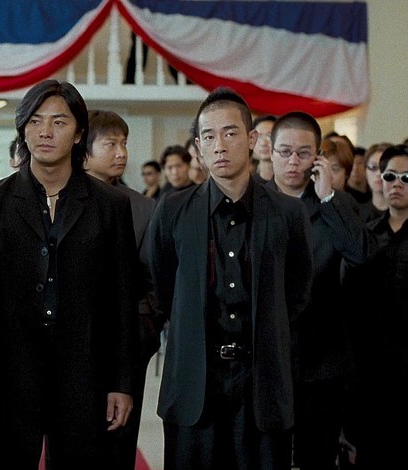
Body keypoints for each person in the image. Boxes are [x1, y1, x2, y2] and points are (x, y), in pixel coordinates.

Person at [0, 80, 139, 468]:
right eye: (35, 121)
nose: (45, 132)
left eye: (59, 122)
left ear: (78, 134)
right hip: (11, 374)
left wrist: (122, 383)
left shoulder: (110, 205)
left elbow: (123, 301)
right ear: (23, 130)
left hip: (86, 373)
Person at [146, 87, 314, 469]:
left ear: (253, 140)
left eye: (230, 133)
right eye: (208, 136)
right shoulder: (172, 210)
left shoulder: (288, 213)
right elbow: (160, 285)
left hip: (262, 385)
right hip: (194, 384)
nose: (219, 145)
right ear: (198, 147)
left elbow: (297, 292)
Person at [265, 111, 368, 470]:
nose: (293, 161)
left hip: (322, 360)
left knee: (317, 458)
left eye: (304, 153)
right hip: (268, 358)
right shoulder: (253, 202)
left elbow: (361, 256)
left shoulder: (336, 203)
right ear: (270, 152)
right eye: (285, 151)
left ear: (318, 157)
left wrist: (328, 199)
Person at [83, 109, 159, 470]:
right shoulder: (58, 199)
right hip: (68, 342)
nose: (121, 152)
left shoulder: (142, 207)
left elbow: (155, 278)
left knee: (119, 443)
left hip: (127, 341)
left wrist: (145, 329)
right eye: (110, 144)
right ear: (84, 150)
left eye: (124, 143)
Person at [343, 144, 408, 468]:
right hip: (370, 370)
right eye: (390, 176)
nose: (397, 184)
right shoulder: (366, 235)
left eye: (406, 178)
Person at [252, 115, 276, 184]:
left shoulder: (290, 183)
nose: (263, 143)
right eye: (259, 136)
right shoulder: (247, 184)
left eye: (269, 136)